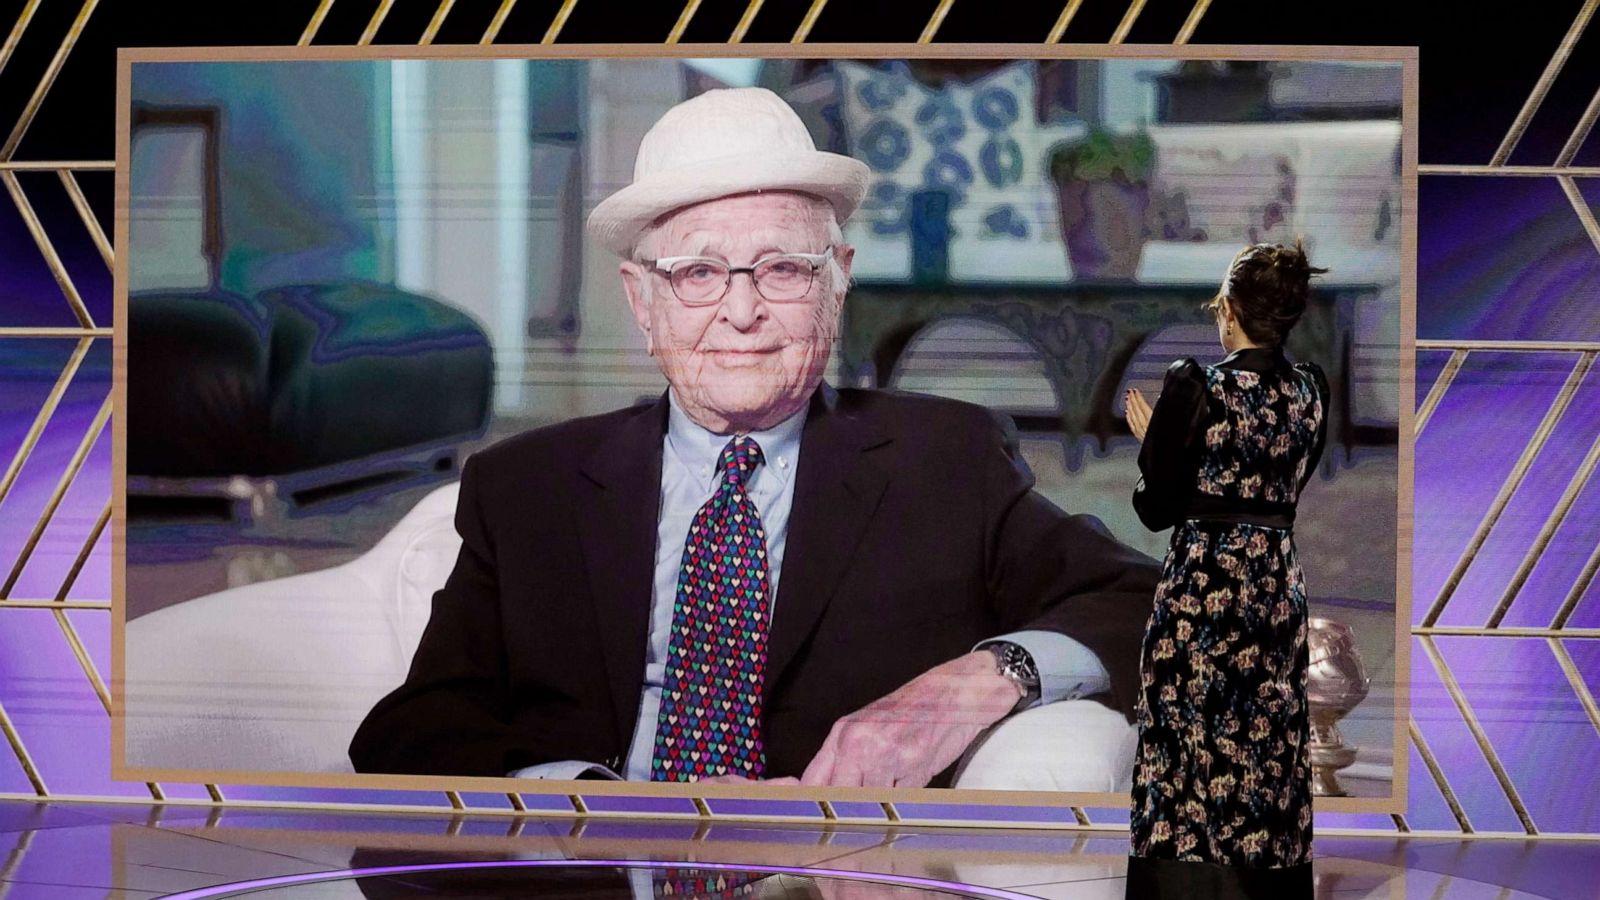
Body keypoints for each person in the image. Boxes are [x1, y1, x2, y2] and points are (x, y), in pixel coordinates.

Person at [349, 86, 1161, 788]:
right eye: (698, 274)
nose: (741, 313)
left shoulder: (944, 461)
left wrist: (981, 680)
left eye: (783, 269)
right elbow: (417, 723)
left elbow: (1148, 599)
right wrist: (589, 807)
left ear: (836, 281)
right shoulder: (527, 489)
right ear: (642, 302)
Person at [1121, 239, 1330, 898]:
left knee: (1186, 738)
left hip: (1203, 590)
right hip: (1273, 588)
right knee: (1267, 743)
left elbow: (1157, 509)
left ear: (1231, 310)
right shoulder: (1311, 391)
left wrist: (1154, 445)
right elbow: (1278, 493)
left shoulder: (1197, 384)